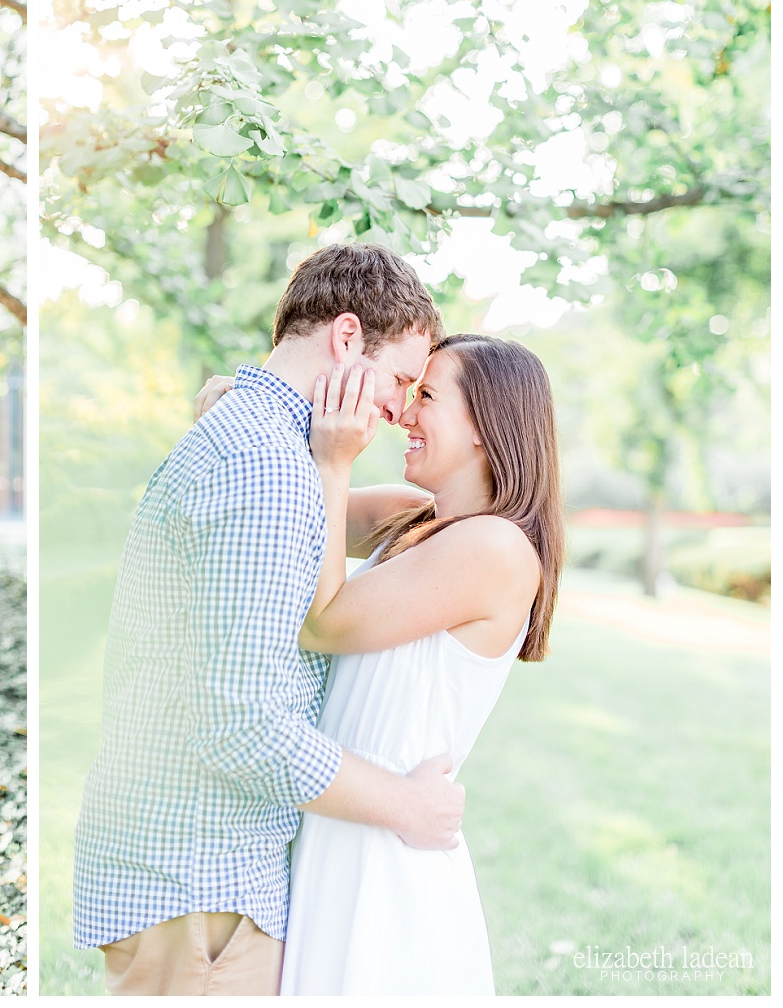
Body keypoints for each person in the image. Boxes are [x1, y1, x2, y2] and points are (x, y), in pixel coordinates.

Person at [72, 242, 464, 997]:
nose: (400, 405)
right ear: (346, 338)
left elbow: (325, 530)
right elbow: (242, 724)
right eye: (400, 379)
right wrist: (409, 807)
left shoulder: (264, 441)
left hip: (186, 877)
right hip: (200, 884)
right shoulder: (265, 467)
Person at [195, 334, 564, 993]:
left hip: (386, 866)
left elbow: (326, 621)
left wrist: (335, 465)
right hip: (340, 830)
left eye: (426, 395)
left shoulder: (496, 548)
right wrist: (246, 411)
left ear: (487, 424)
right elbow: (292, 495)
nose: (404, 413)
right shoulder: (414, 518)